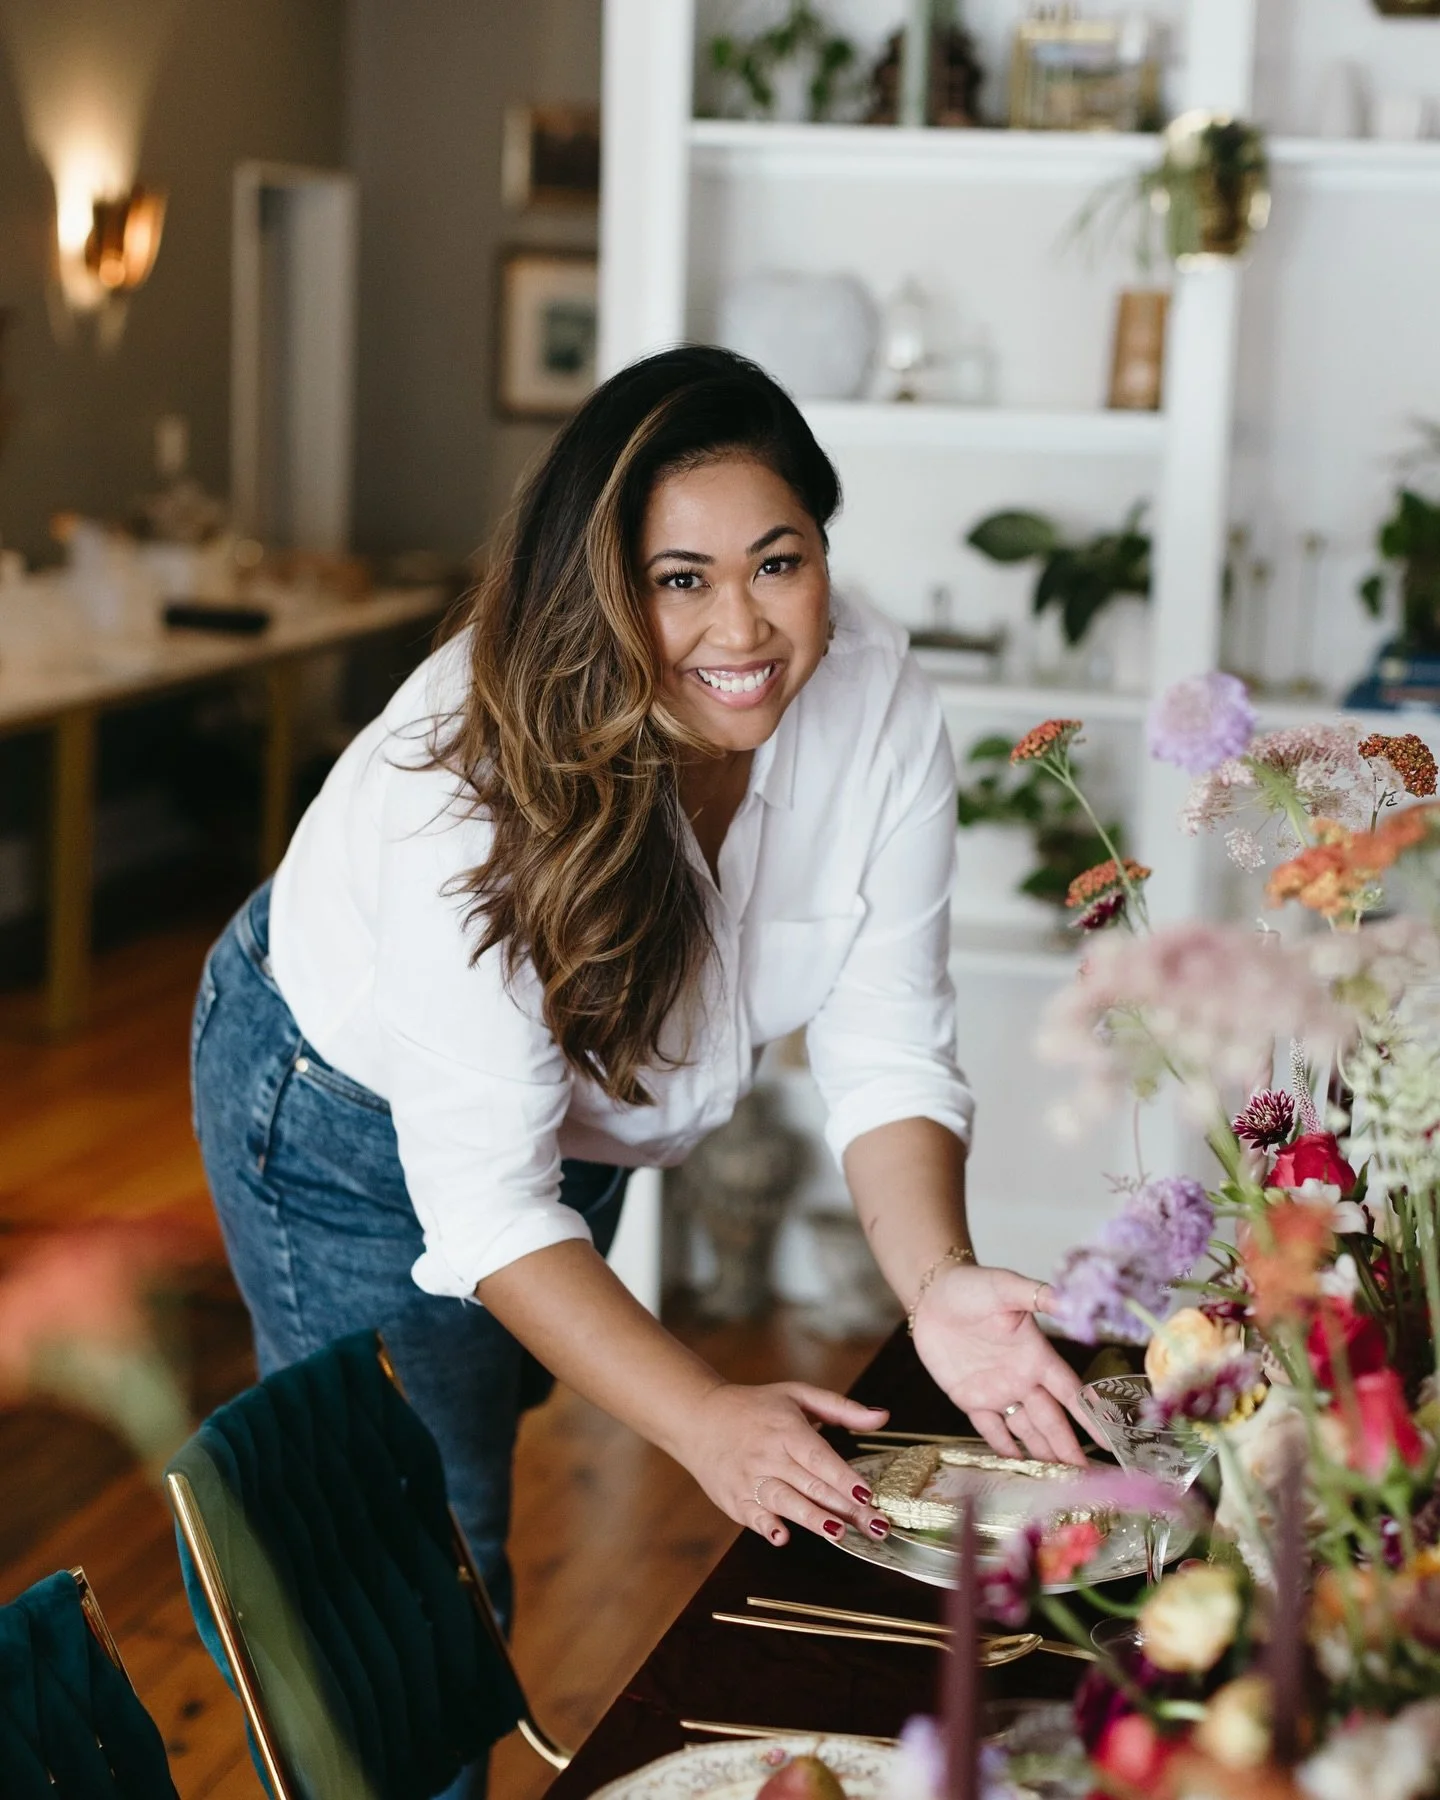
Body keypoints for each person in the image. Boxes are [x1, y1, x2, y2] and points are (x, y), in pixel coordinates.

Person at [191, 344, 1088, 1637]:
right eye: (681, 582)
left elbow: (887, 1046)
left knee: (472, 1430)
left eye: (779, 562)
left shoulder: (875, 700)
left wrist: (937, 1280)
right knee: (424, 1550)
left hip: (566, 1122)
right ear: (602, 591)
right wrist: (707, 1421)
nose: (743, 631)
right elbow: (491, 1207)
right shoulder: (472, 793)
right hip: (339, 1108)